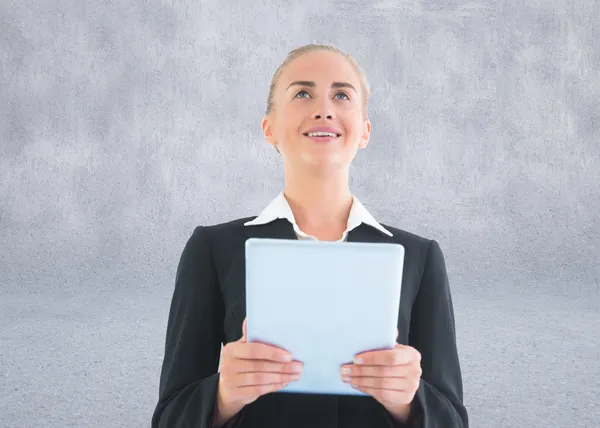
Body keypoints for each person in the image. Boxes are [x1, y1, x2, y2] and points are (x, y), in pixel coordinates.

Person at [151, 44, 469, 428]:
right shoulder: (213, 250)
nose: (324, 108)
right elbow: (170, 417)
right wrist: (222, 397)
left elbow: (453, 419)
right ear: (269, 128)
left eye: (341, 95)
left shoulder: (419, 257)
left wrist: (408, 400)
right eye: (303, 93)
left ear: (365, 131)